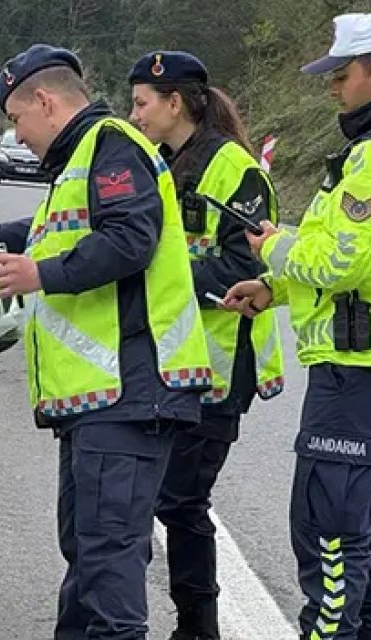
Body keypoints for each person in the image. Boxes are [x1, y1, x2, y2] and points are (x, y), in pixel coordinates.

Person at [0, 43, 212, 639]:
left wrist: (39, 273)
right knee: (88, 558)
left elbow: (128, 240)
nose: (18, 137)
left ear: (44, 101)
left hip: (129, 392)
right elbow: (55, 240)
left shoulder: (111, 147)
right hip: (99, 402)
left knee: (108, 576)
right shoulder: (84, 161)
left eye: (16, 121)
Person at [222, 12, 371, 640]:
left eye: (342, 75)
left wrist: (271, 248)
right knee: (369, 522)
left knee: (327, 527)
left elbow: (339, 261)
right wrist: (274, 290)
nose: (333, 88)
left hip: (361, 368)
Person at [125, 51, 287, 640]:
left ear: (176, 103)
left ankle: (199, 626)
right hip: (177, 364)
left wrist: (155, 269)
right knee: (170, 500)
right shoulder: (161, 163)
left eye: (142, 103)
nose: (133, 113)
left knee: (180, 500)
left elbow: (244, 271)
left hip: (222, 366)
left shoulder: (235, 171)